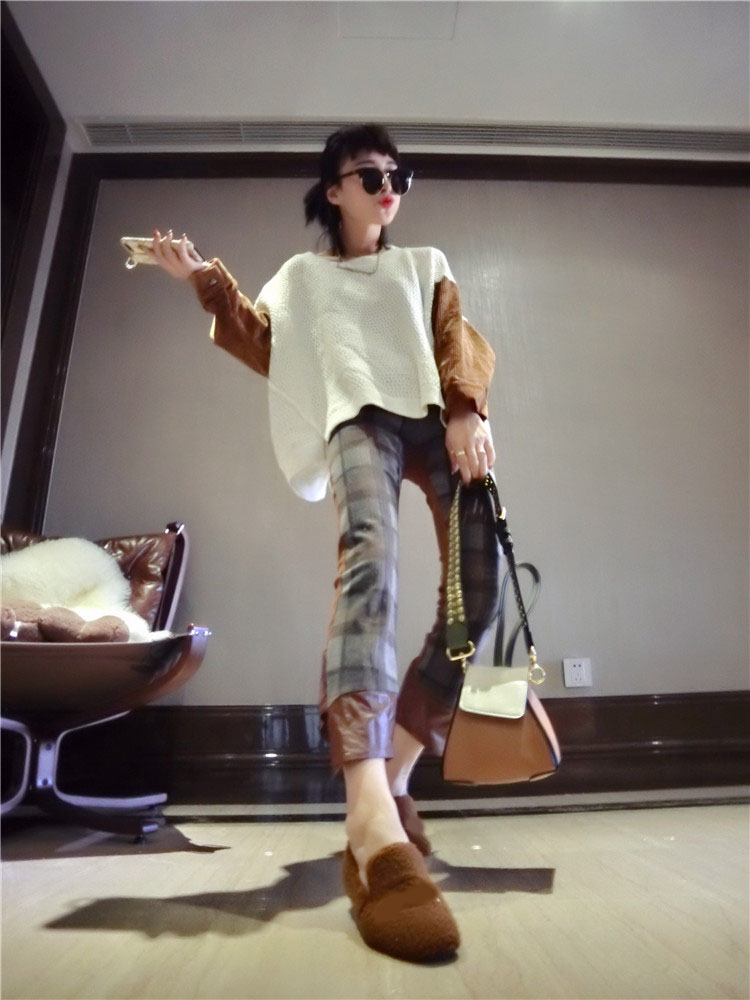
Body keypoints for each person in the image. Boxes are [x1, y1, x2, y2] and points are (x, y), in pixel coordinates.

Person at [149, 123, 501, 963]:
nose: (389, 188)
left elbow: (454, 337)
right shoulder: (303, 279)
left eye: (399, 175)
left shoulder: (425, 264)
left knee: (479, 590)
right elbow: (266, 343)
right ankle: (369, 820)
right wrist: (202, 281)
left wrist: (466, 409)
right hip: (357, 419)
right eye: (369, 175)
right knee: (371, 558)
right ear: (333, 191)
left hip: (433, 415)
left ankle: (398, 770)